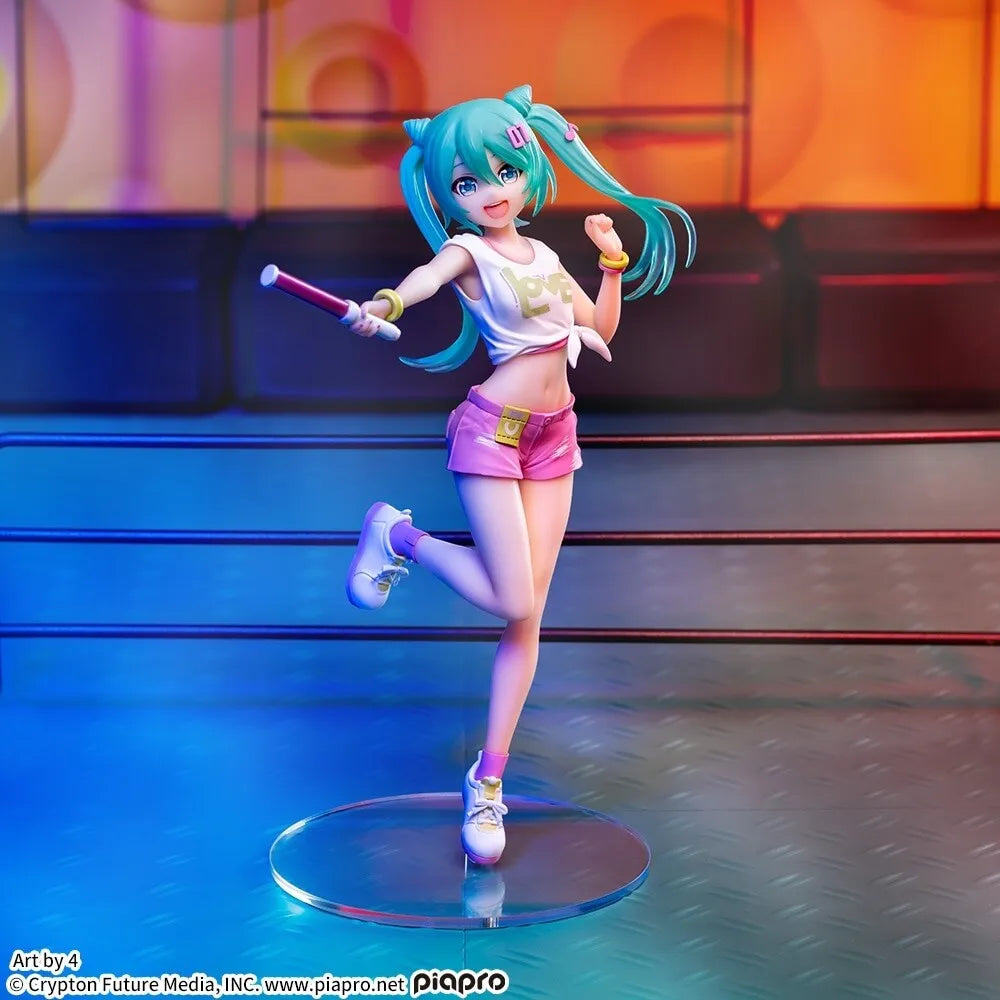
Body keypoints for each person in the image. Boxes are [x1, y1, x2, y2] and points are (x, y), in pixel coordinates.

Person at [344, 84, 695, 865]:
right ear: (447, 196)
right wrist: (384, 305)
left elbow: (599, 327)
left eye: (503, 172)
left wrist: (611, 261)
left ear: (529, 170)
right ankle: (396, 535)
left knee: (525, 619)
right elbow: (424, 279)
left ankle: (489, 779)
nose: (490, 192)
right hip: (493, 433)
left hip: (554, 436)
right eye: (468, 182)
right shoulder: (468, 253)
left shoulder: (546, 258)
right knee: (515, 596)